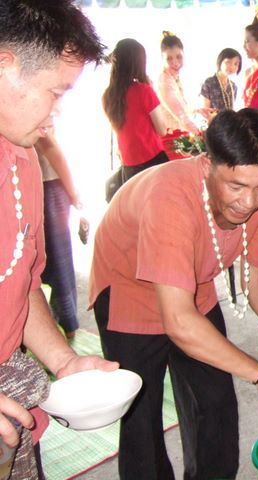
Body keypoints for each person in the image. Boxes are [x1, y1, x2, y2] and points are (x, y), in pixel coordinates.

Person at [89, 108, 258, 479]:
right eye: (236, 186)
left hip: (194, 285)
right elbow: (179, 322)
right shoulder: (170, 198)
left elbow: (255, 282)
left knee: (216, 405)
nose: (249, 201)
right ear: (207, 165)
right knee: (141, 417)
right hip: (128, 289)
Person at [0, 2, 118, 477]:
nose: (55, 115)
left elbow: (22, 284)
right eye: (56, 92)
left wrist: (63, 361)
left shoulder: (22, 157)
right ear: (4, 65)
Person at [35, 132, 88, 339]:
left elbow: (51, 147)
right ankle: (66, 324)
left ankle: (66, 324)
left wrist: (73, 193)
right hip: (44, 186)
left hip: (44, 185)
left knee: (53, 264)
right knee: (57, 264)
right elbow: (51, 148)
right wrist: (73, 193)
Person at [103, 38, 169, 185]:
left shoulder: (107, 96)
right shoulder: (143, 90)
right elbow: (162, 130)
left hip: (129, 164)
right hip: (152, 158)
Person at [157, 31, 206, 135]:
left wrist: (198, 111)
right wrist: (201, 134)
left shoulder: (174, 77)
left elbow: (181, 108)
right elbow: (181, 116)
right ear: (162, 59)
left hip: (180, 134)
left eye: (179, 57)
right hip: (171, 137)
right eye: (169, 59)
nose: (175, 63)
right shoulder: (164, 81)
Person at [200, 47, 241, 115]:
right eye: (228, 62)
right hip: (212, 120)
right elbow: (205, 110)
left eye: (236, 64)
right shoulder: (209, 83)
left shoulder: (233, 86)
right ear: (220, 61)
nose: (232, 67)